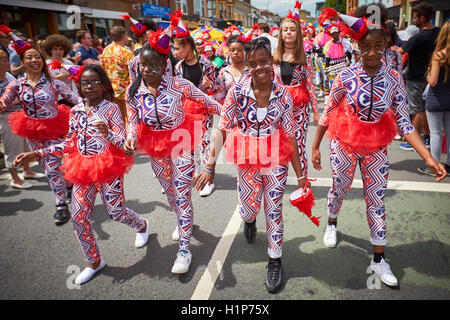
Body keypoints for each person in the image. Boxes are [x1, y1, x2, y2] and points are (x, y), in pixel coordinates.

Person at [311, 6, 447, 288]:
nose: (372, 53)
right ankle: (333, 222)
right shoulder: (345, 77)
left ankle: (378, 259)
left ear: (387, 47)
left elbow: (405, 124)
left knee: (376, 199)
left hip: (376, 148)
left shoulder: (394, 79)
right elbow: (327, 113)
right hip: (345, 144)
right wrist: (315, 147)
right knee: (340, 188)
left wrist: (430, 158)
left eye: (378, 46)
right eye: (366, 47)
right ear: (357, 46)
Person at [13, 64, 149, 285]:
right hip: (82, 167)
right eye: (85, 82)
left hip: (108, 167)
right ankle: (94, 261)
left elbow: (125, 145)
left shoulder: (111, 108)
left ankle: (141, 225)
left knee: (115, 211)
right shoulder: (75, 111)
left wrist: (108, 134)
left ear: (104, 85)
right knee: (78, 217)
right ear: (79, 86)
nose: (89, 86)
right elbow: (69, 143)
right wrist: (36, 154)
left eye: (95, 81)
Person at [195, 37, 308, 293]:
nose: (260, 67)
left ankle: (275, 260)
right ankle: (249, 220)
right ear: (247, 64)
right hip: (246, 156)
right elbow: (223, 129)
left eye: (264, 62)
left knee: (274, 208)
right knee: (248, 208)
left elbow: (290, 134)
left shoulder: (283, 95)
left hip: (275, 157)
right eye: (253, 63)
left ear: (272, 62)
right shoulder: (237, 92)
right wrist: (208, 166)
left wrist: (301, 175)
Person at [124, 29, 222, 275]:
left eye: (152, 65)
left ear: (164, 64)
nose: (146, 70)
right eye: (142, 65)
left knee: (181, 193)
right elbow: (133, 120)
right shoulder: (133, 91)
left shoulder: (179, 85)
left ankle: (184, 249)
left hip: (181, 141)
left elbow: (209, 102)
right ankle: (183, 220)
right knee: (169, 193)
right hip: (155, 147)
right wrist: (131, 137)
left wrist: (235, 114)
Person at [0, 47, 82, 225]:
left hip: (55, 127)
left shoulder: (54, 83)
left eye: (38, 57)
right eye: (29, 57)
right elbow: (3, 103)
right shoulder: (16, 85)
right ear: (22, 62)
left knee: (54, 165)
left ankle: (64, 197)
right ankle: (64, 196)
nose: (34, 60)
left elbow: (77, 100)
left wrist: (93, 110)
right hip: (32, 132)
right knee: (48, 168)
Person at [172, 10, 219, 197]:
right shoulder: (177, 67)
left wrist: (210, 85)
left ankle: (208, 179)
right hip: (185, 110)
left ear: (188, 47)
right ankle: (191, 173)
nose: (175, 53)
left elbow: (216, 89)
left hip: (203, 110)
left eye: (177, 49)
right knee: (187, 143)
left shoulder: (207, 64)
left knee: (205, 143)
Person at [273, 14, 319, 177]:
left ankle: (303, 179)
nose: (289, 33)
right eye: (285, 30)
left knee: (298, 145)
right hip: (279, 107)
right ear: (281, 34)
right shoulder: (275, 57)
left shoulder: (304, 58)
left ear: (298, 33)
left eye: (292, 30)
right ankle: (278, 178)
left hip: (300, 109)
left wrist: (316, 110)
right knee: (279, 144)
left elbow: (310, 85)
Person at [398, 1, 440, 151]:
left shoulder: (418, 37)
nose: (414, 20)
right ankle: (427, 138)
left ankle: (413, 142)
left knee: (415, 111)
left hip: (415, 77)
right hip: (433, 76)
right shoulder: (438, 32)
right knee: (424, 110)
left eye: (415, 17)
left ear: (422, 18)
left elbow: (400, 52)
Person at [0, 50, 44, 189]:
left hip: (21, 115)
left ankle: (27, 171)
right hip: (7, 118)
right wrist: (17, 100)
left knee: (25, 144)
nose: (8, 63)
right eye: (4, 60)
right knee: (12, 148)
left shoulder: (8, 76)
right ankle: (15, 178)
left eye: (7, 59)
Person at [418, 21, 450, 176]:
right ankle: (449, 165)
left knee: (436, 133)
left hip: (436, 99)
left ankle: (436, 166)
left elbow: (433, 81)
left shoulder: (439, 55)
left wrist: (430, 72)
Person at [99, 26, 135, 122]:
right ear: (124, 37)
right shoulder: (127, 53)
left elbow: (101, 69)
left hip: (110, 91)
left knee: (115, 120)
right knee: (128, 120)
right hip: (124, 92)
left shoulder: (106, 51)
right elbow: (135, 71)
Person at [215, 35, 249, 103]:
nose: (236, 53)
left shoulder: (251, 70)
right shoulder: (223, 72)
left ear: (244, 51)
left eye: (239, 50)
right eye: (232, 50)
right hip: (230, 110)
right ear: (229, 52)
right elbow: (222, 93)